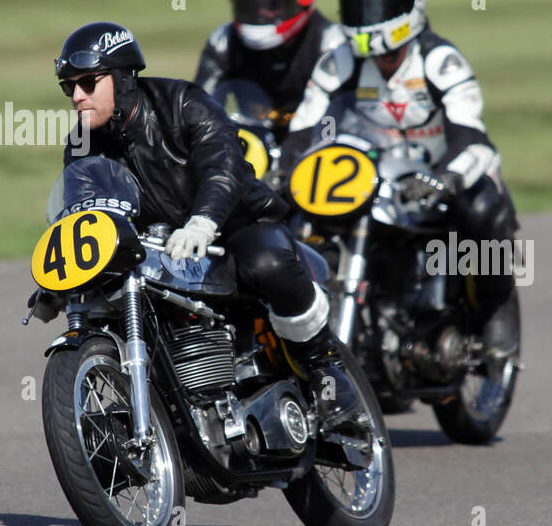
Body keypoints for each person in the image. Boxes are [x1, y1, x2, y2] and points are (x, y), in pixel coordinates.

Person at [54, 21, 356, 418]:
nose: (77, 96)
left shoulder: (182, 103)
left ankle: (324, 366)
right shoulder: (82, 143)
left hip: (237, 225)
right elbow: (82, 213)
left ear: (123, 78)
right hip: (159, 246)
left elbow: (222, 165)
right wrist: (62, 280)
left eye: (89, 82)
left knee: (267, 265)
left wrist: (203, 221)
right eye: (69, 86)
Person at [280, 0, 519, 354]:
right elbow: (306, 126)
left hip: (443, 173)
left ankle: (495, 309)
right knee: (293, 213)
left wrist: (446, 178)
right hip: (369, 177)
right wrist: (280, 171)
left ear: (411, 4)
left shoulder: (441, 61)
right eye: (358, 9)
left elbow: (471, 134)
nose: (368, 20)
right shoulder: (339, 62)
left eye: (379, 8)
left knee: (480, 213)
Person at [193, 0, 345, 142]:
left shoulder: (333, 44)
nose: (261, 13)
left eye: (271, 4)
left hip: (316, 151)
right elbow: (199, 112)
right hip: (249, 149)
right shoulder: (223, 42)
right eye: (251, 5)